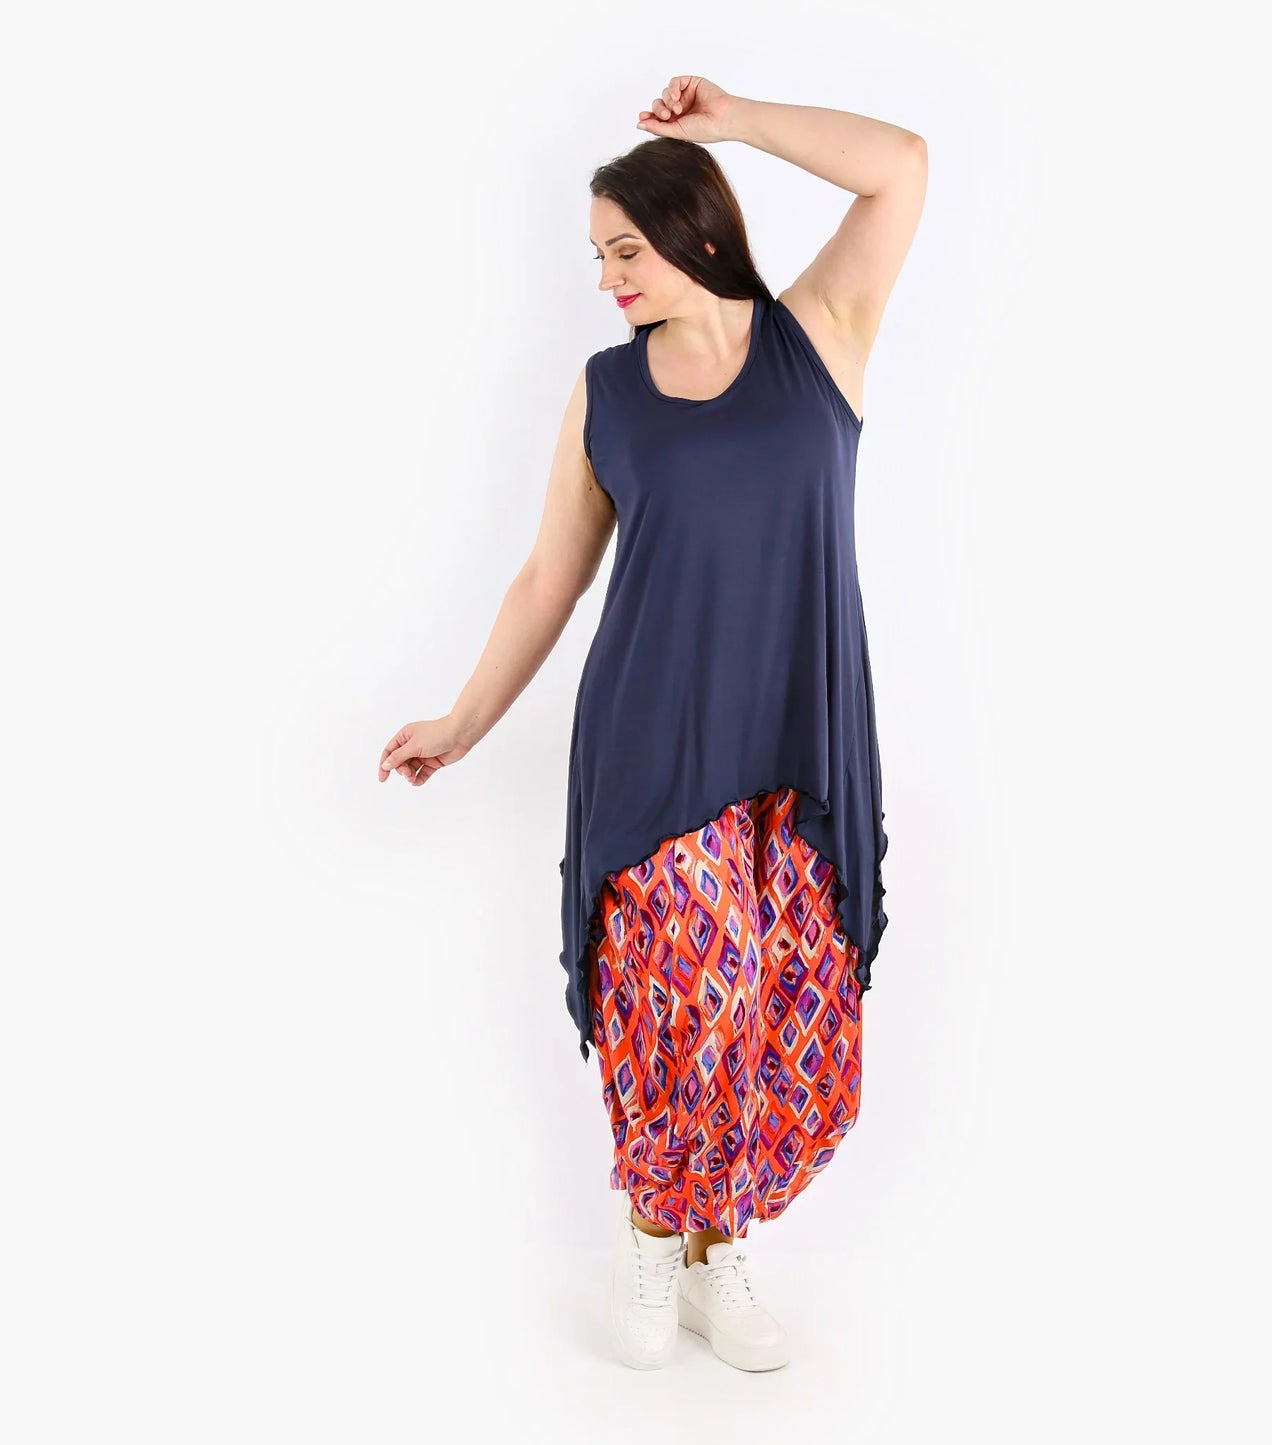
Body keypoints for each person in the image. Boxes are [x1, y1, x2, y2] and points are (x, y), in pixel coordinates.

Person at [378, 76, 927, 1372]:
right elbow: (548, 579)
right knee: (688, 996)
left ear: (697, 230)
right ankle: (649, 1229)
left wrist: (732, 122)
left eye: (624, 249)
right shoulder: (606, 394)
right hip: (656, 739)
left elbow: (900, 165)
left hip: (799, 743)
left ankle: (713, 1249)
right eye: (597, 257)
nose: (608, 278)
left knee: (778, 1007)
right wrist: (462, 719)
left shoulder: (819, 336)